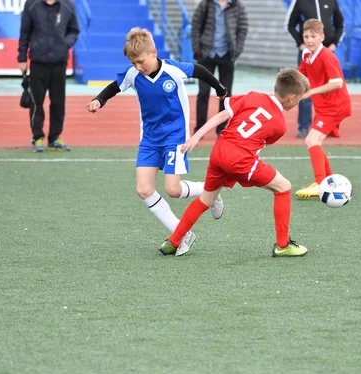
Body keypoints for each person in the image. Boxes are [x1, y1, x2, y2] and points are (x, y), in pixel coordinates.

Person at [85, 28, 228, 242]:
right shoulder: (133, 74)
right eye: (133, 63)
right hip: (150, 139)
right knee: (143, 190)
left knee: (173, 189)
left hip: (175, 136)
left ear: (153, 52)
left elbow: (200, 70)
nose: (137, 67)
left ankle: (211, 191)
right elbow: (115, 87)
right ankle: (183, 234)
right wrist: (99, 100)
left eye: (141, 61)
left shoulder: (173, 70)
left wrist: (219, 88)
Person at [158, 69, 311, 257]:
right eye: (300, 99)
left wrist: (197, 136)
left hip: (219, 151)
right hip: (240, 159)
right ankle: (283, 245)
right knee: (284, 187)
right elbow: (258, 144)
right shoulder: (280, 125)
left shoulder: (253, 96)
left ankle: (173, 241)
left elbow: (222, 116)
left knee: (206, 199)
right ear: (292, 98)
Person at [293, 19, 351, 199]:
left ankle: (320, 184)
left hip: (335, 106)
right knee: (314, 141)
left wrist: (310, 92)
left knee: (311, 140)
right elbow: (300, 76)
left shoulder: (327, 56)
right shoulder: (306, 55)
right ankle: (329, 182)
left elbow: (337, 83)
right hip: (324, 107)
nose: (309, 40)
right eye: (306, 36)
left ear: (322, 37)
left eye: (313, 36)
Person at [18, 0, 79, 152]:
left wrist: (65, 43)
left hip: (59, 63)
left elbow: (74, 30)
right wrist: (22, 58)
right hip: (38, 62)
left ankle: (54, 138)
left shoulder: (68, 5)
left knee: (58, 103)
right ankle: (37, 137)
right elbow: (24, 33)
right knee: (36, 102)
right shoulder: (31, 4)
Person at [286, 0, 344, 138]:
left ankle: (328, 126)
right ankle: (304, 127)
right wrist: (300, 43)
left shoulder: (331, 1)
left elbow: (340, 24)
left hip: (327, 52)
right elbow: (290, 25)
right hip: (308, 51)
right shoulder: (300, 2)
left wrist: (334, 44)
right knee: (304, 87)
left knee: (329, 90)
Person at [191, 0, 249, 136]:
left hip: (227, 55)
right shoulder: (205, 4)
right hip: (206, 55)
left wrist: (237, 49)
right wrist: (197, 49)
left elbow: (243, 28)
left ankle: (221, 129)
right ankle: (200, 128)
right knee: (203, 93)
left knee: (226, 94)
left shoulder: (237, 5)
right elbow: (195, 26)